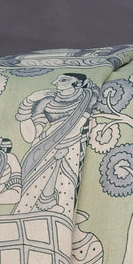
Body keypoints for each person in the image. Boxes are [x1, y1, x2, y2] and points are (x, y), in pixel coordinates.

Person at [13, 72, 98, 215]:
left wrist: (62, 146)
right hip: (46, 146)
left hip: (72, 145)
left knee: (67, 184)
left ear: (77, 83)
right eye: (58, 79)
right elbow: (31, 136)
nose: (55, 82)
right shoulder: (46, 101)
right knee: (35, 185)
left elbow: (78, 125)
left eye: (63, 79)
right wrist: (28, 101)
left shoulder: (88, 96)